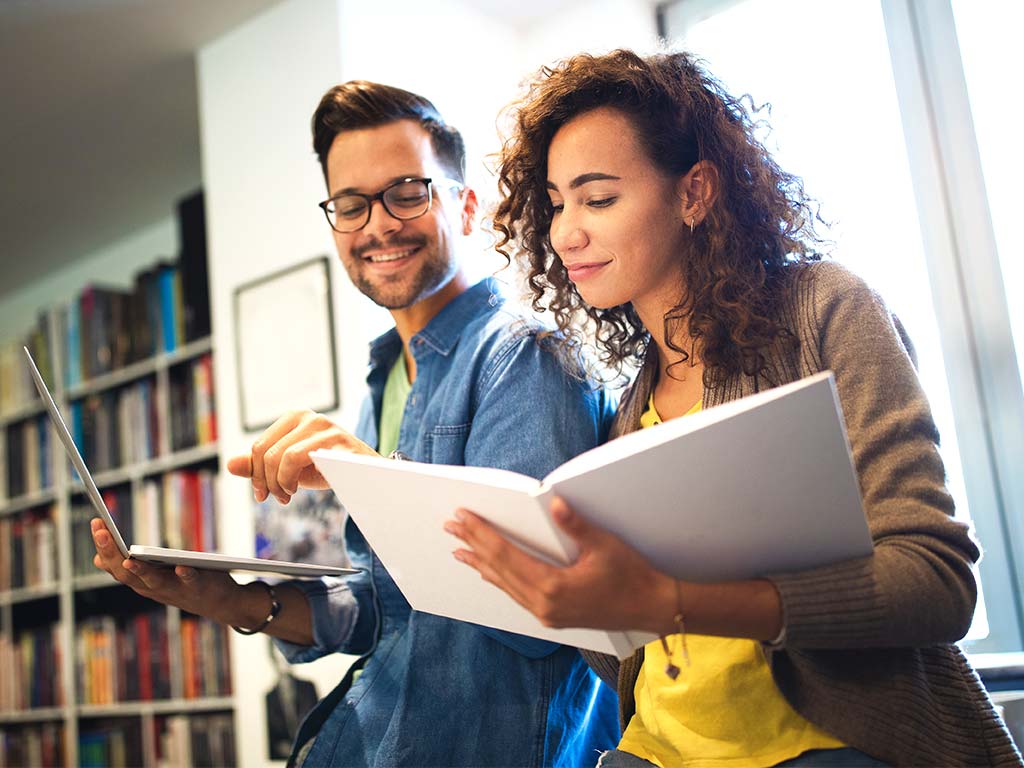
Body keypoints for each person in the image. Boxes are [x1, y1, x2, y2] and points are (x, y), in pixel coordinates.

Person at [445, 50, 1023, 768]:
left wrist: (670, 600)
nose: (565, 233)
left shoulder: (823, 310)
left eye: (596, 199)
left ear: (694, 193)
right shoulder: (631, 407)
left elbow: (937, 583)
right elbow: (638, 661)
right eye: (558, 203)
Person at [90, 80, 620, 766]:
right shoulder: (387, 378)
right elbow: (379, 607)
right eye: (350, 204)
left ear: (463, 206)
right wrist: (229, 599)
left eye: (407, 192)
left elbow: (539, 618)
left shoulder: (526, 355)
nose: (378, 225)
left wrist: (381, 482)